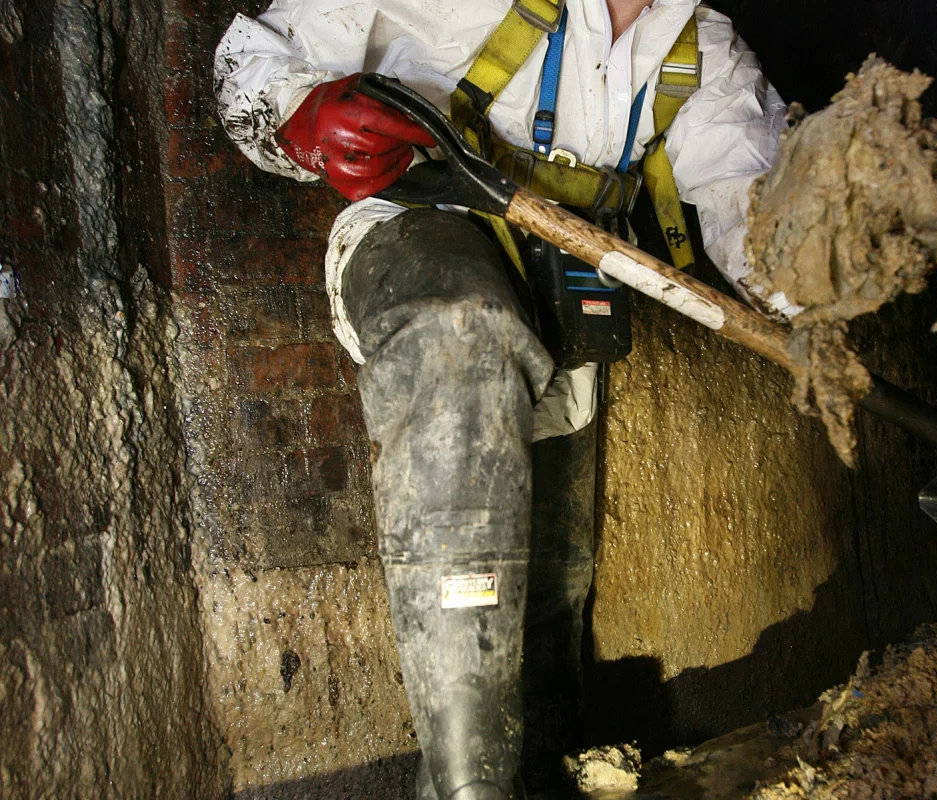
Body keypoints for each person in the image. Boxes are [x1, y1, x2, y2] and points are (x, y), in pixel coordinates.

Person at [214, 1, 786, 796]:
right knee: (466, 333)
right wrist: (303, 113)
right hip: (424, 246)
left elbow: (756, 219)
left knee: (548, 580)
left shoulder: (704, 49)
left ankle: (547, 775)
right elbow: (251, 64)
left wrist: (831, 249)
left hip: (562, 306)